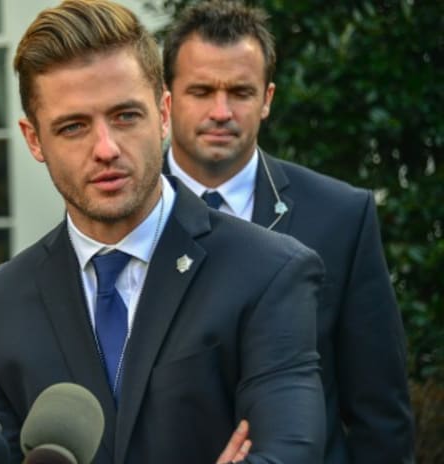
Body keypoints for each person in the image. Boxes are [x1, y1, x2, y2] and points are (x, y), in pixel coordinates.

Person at [0, 1, 326, 462]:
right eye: (73, 127)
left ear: (163, 113)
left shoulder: (269, 272)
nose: (105, 149)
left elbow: (290, 452)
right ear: (33, 140)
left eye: (125, 116)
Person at [160, 1, 414, 462]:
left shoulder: (341, 217)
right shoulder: (121, 210)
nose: (221, 111)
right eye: (201, 91)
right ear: (167, 100)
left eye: (240, 91)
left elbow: (380, 413)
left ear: (268, 99)